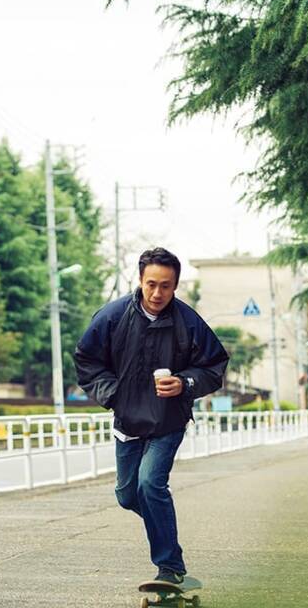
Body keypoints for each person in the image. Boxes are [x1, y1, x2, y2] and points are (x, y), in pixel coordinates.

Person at [73, 247, 228, 584]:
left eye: (167, 286)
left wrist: (185, 383)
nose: (158, 293)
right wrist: (113, 394)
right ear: (140, 281)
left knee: (150, 484)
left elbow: (214, 366)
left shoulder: (188, 322)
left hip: (167, 420)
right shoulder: (112, 317)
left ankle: (170, 568)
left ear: (176, 286)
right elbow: (86, 360)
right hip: (127, 420)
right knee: (128, 495)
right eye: (152, 284)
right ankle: (167, 536)